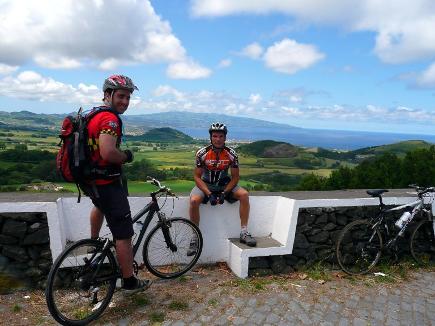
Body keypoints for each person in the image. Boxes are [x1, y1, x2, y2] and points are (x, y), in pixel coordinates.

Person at [79, 74, 151, 294]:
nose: (125, 102)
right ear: (108, 94)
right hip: (106, 183)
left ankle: (94, 244)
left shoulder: (92, 113)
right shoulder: (109, 119)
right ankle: (129, 281)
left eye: (128, 97)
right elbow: (108, 152)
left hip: (90, 181)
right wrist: (126, 156)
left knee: (99, 206)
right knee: (123, 234)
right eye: (121, 96)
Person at [188, 122, 257, 255]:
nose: (218, 139)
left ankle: (244, 232)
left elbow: (235, 177)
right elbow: (197, 177)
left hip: (224, 185)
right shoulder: (202, 153)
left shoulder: (231, 154)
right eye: (215, 136)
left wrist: (225, 193)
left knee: (244, 195)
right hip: (206, 184)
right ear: (211, 138)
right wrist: (208, 194)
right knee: (193, 201)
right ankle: (194, 236)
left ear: (225, 138)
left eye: (221, 136)